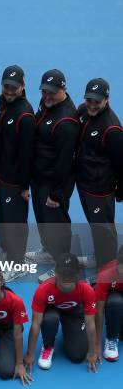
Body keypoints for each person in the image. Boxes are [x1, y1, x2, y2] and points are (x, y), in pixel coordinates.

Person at [25, 70, 78, 280]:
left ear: (63, 89)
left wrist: (56, 194)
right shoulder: (46, 104)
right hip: (40, 178)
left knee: (57, 224)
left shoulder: (66, 122)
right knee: (43, 220)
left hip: (54, 183)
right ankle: (48, 251)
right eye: (44, 91)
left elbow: (64, 163)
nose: (47, 96)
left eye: (52, 92)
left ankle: (61, 264)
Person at [0, 66, 35, 282]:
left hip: (15, 181)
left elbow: (28, 155)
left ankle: (18, 263)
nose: (9, 90)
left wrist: (25, 186)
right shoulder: (3, 102)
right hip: (0, 175)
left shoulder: (25, 115)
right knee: (3, 219)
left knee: (15, 222)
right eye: (6, 86)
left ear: (23, 87)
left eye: (14, 87)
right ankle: (8, 252)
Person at [75, 78, 123, 270]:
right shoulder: (83, 112)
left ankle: (107, 269)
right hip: (84, 183)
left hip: (100, 189)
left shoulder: (112, 129)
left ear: (107, 100)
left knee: (104, 230)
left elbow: (121, 164)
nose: (92, 105)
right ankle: (100, 259)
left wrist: (120, 191)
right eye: (89, 100)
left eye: (97, 101)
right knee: (96, 227)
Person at [24, 254, 99, 373]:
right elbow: (35, 324)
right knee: (50, 319)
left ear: (77, 275)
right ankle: (48, 346)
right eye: (63, 273)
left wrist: (92, 351)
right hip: (53, 312)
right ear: (56, 273)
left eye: (71, 274)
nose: (66, 277)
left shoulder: (87, 290)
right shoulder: (43, 289)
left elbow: (90, 323)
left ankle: (68, 330)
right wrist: (29, 354)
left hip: (74, 313)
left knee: (77, 356)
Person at [94, 246, 123, 362]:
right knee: (115, 301)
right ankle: (111, 338)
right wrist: (96, 344)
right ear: (117, 263)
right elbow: (99, 311)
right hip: (113, 300)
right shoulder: (105, 275)